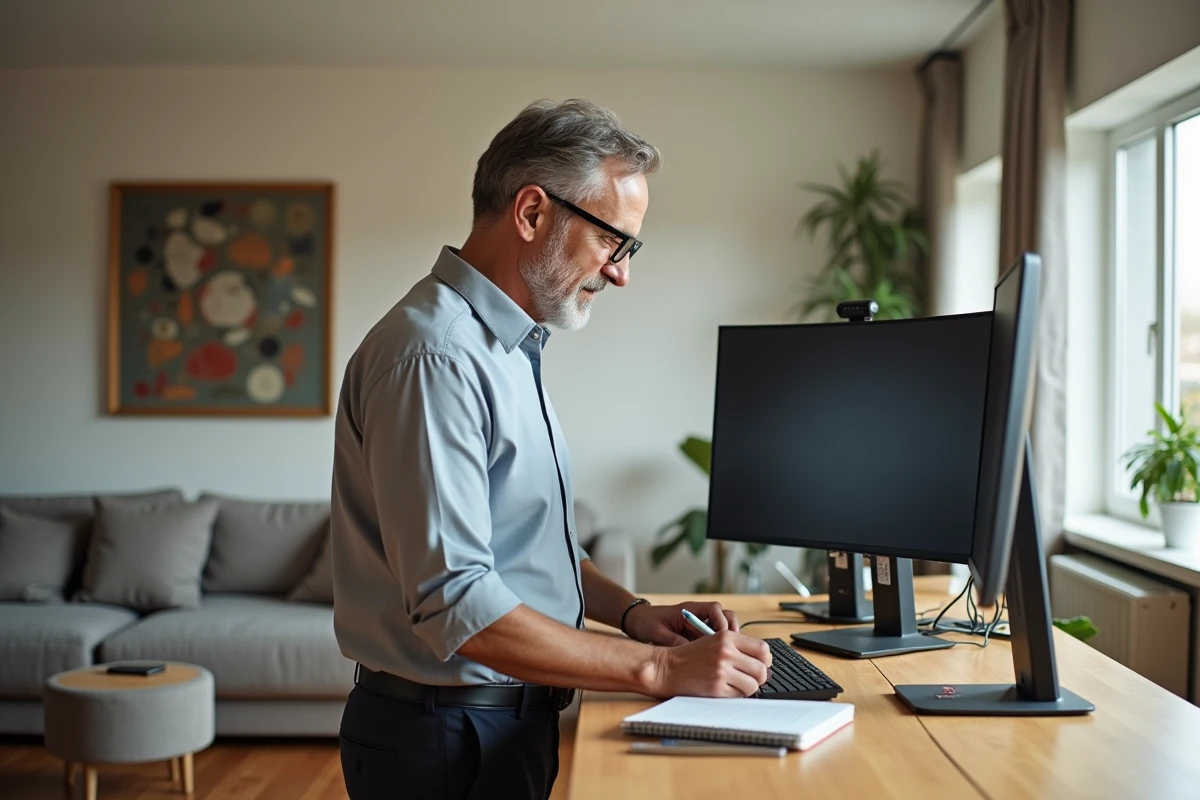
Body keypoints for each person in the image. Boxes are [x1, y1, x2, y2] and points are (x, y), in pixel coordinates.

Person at [329, 98, 773, 800]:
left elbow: (530, 546)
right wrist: (656, 671)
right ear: (533, 213)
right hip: (446, 743)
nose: (621, 272)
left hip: (495, 728)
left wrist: (633, 614)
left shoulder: (508, 347)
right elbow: (459, 603)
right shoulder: (436, 357)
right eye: (613, 242)